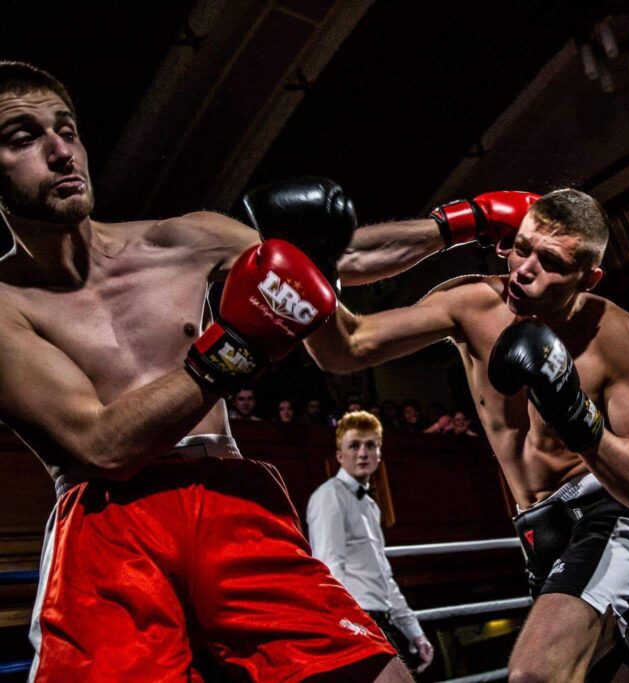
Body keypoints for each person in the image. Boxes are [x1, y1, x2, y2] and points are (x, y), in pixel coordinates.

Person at [0, 61, 455, 681]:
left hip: (224, 496)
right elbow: (99, 445)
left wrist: (461, 227)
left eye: (67, 129)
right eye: (23, 137)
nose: (60, 152)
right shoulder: (4, 306)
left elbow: (332, 287)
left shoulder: (185, 239)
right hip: (106, 524)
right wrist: (234, 347)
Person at [304, 189, 629, 682]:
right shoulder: (475, 304)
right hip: (536, 534)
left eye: (550, 262)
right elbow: (344, 345)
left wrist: (580, 421)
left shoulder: (618, 336)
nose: (524, 269)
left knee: (535, 674)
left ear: (589, 278)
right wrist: (456, 224)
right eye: (521, 247)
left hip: (604, 517)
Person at [307, 411, 435, 674]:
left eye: (370, 445)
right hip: (358, 622)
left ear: (379, 455)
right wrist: (349, 629)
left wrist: (414, 631)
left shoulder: (371, 506)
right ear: (340, 455)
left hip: (380, 621)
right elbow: (329, 570)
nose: (363, 453)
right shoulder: (329, 496)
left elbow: (384, 576)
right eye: (354, 445)